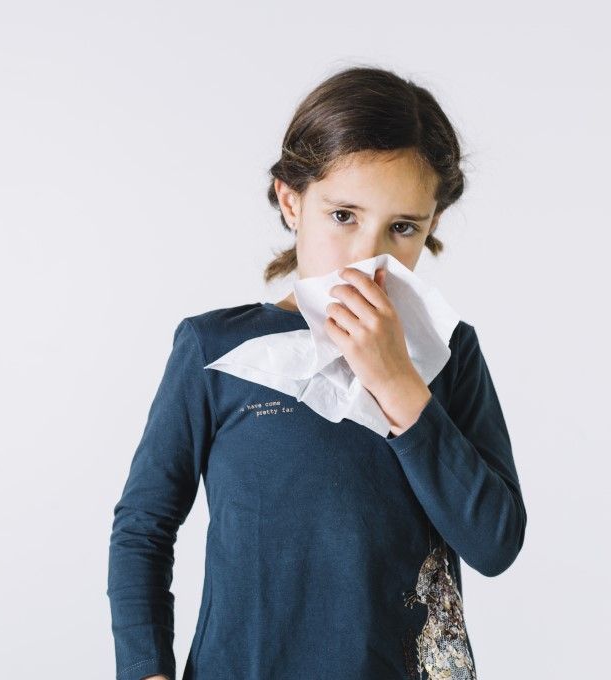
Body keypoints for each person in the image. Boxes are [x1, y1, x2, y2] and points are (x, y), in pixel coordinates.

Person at [106, 66, 527, 680]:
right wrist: (146, 671)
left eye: (402, 227)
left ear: (431, 225)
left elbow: (494, 543)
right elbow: (144, 526)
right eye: (343, 216)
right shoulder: (214, 348)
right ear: (290, 200)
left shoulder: (449, 354)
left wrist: (399, 384)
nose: (367, 254)